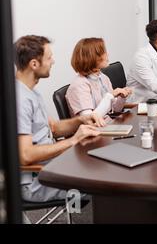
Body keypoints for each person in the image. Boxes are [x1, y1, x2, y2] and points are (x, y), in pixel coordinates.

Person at [14, 35, 103, 202]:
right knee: (100, 183)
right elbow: (25, 155)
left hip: (50, 166)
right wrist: (73, 141)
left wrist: (80, 121)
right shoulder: (20, 100)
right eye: (49, 58)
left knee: (101, 167)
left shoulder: (31, 92)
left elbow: (53, 128)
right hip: (34, 181)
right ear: (34, 64)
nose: (53, 61)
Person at [66, 38, 132, 118]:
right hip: (94, 129)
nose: (107, 55)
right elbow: (90, 121)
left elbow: (114, 110)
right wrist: (110, 95)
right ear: (92, 57)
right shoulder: (79, 85)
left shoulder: (103, 78)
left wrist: (122, 98)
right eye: (103, 52)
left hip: (108, 124)